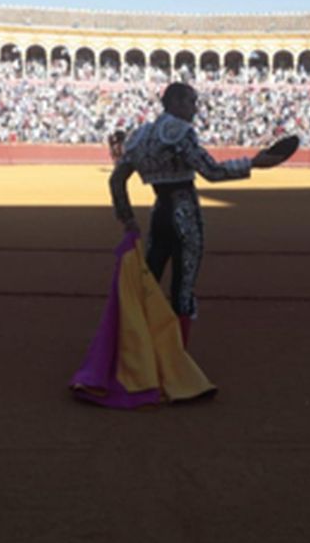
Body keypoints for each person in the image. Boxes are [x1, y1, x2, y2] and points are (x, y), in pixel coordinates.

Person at [108, 82, 283, 347]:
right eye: (191, 102)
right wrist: (253, 163)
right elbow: (211, 172)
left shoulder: (140, 136)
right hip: (185, 215)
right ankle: (177, 362)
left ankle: (139, 352)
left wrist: (128, 218)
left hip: (159, 215)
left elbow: (116, 179)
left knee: (150, 283)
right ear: (176, 103)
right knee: (183, 289)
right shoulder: (180, 132)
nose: (195, 108)